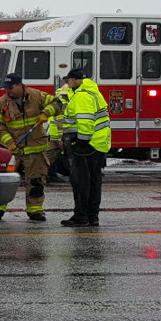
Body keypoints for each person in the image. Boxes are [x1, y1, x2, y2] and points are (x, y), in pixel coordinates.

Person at [0, 73, 62, 222]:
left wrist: (45, 113)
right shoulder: (2, 103)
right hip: (13, 150)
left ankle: (35, 211)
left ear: (19, 85)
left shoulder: (36, 96)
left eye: (10, 88)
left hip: (35, 149)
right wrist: (9, 143)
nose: (7, 91)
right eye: (6, 88)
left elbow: (58, 103)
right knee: (5, 181)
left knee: (36, 182)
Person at [61, 68, 111, 227]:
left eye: (68, 80)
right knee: (94, 182)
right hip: (98, 144)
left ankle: (81, 216)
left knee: (81, 182)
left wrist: (81, 142)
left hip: (86, 146)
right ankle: (92, 216)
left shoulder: (82, 96)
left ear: (75, 80)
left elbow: (85, 121)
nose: (67, 84)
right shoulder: (93, 92)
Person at [45, 82, 74, 183]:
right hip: (56, 134)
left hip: (52, 133)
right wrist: (60, 139)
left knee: (50, 155)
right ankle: (48, 176)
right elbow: (60, 122)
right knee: (53, 155)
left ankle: (47, 175)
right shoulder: (64, 104)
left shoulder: (58, 100)